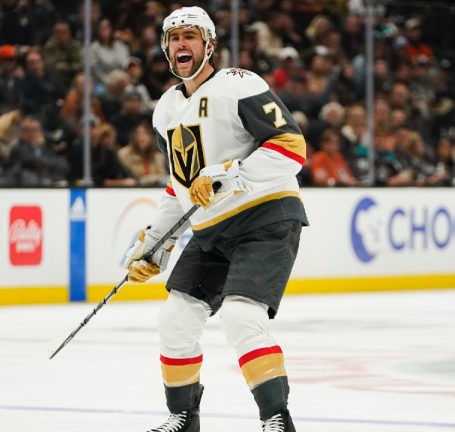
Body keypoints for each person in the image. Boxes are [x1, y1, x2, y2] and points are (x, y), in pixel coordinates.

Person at [122, 7, 307, 432]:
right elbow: (180, 188)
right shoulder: (166, 108)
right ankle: (182, 418)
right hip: (212, 231)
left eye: (190, 36)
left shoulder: (239, 84)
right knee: (175, 317)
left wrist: (227, 174)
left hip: (265, 218)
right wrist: (155, 245)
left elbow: (291, 148)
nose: (180, 44)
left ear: (209, 45)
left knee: (242, 315)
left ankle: (277, 420)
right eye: (173, 38)